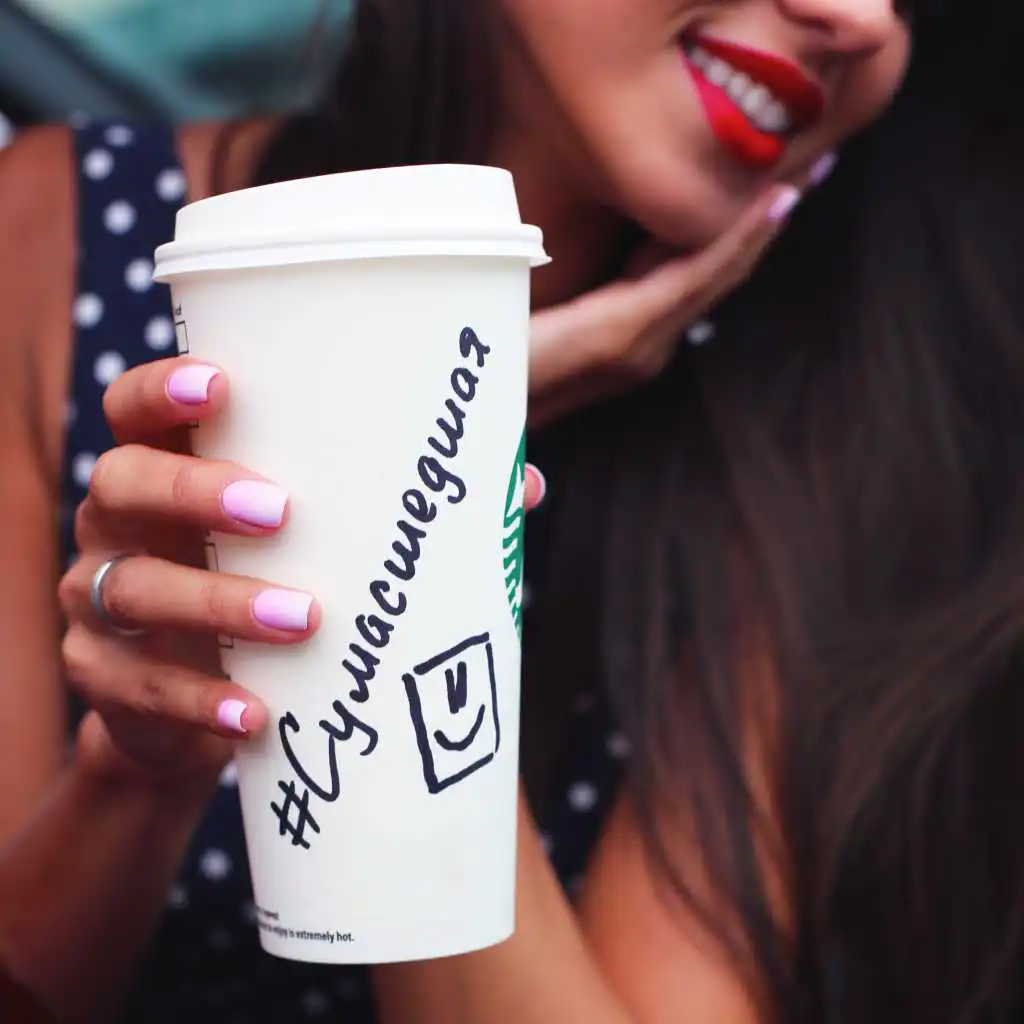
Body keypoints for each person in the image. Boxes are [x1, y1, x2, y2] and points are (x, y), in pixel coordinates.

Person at [5, 0, 998, 1021]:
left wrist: (439, 466)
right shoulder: (54, 234)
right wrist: (137, 774)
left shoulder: (833, 433)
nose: (859, 18)